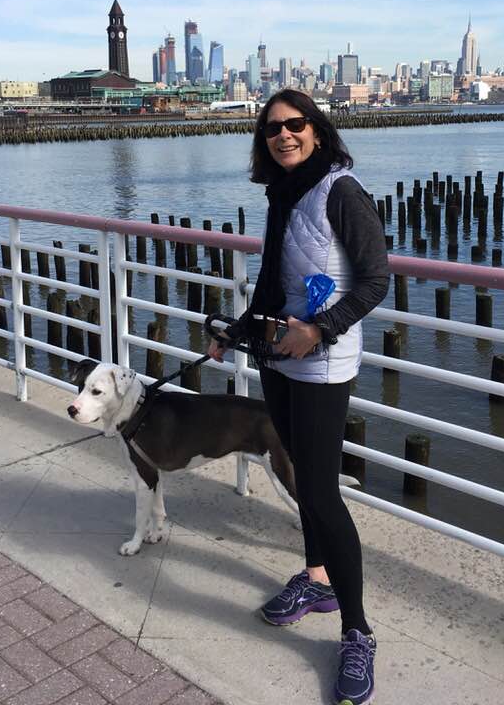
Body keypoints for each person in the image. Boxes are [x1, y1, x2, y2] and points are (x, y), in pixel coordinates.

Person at [209, 89, 390, 705]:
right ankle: (317, 580)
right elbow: (271, 283)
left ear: (316, 129)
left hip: (323, 363)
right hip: (280, 358)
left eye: (294, 125)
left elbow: (375, 281)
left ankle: (357, 631)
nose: (283, 136)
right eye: (272, 130)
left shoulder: (341, 191)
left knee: (319, 491)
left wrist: (321, 329)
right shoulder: (282, 194)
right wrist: (235, 334)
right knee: (297, 477)